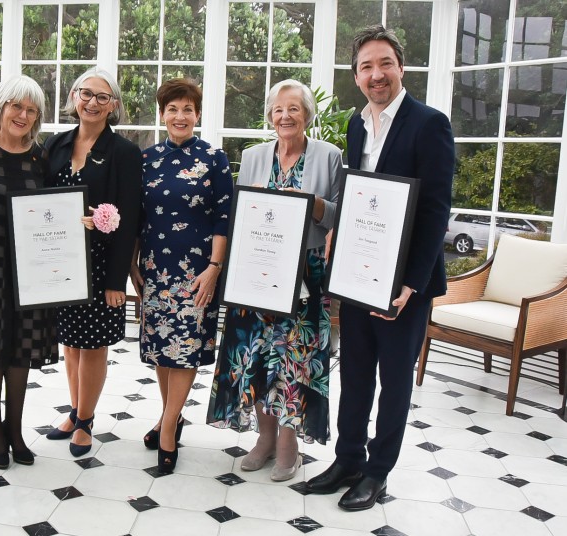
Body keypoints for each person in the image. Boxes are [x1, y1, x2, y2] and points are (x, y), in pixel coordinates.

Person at [304, 25, 454, 511]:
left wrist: (410, 284)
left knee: (393, 379)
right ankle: (347, 458)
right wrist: (335, 237)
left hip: (403, 286)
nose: (376, 74)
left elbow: (434, 211)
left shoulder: (428, 123)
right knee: (355, 372)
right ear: (356, 75)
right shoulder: (355, 124)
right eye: (366, 66)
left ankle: (377, 472)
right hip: (358, 272)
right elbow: (356, 194)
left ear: (401, 68)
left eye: (384, 63)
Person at [207, 79, 341, 481]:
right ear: (269, 116)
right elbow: (239, 213)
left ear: (307, 115)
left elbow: (338, 214)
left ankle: (288, 444)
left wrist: (311, 204)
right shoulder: (252, 157)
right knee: (255, 357)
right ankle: (264, 439)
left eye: (294, 109)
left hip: (305, 273)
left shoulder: (328, 156)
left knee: (294, 360)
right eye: (278, 110)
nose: (285, 116)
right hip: (257, 272)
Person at [130, 78, 233, 474]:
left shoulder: (214, 159)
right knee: (161, 347)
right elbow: (138, 218)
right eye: (172, 109)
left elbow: (225, 218)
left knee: (185, 347)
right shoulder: (147, 160)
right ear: (162, 114)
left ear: (198, 114)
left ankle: (169, 425)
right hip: (155, 269)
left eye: (187, 109)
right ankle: (168, 415)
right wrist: (132, 265)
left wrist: (214, 269)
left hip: (197, 272)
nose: (180, 116)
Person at [44, 68, 142, 457]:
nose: (93, 103)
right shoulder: (55, 144)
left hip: (102, 266)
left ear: (113, 106)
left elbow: (130, 217)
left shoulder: (124, 153)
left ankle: (86, 420)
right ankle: (75, 410)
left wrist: (118, 280)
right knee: (69, 343)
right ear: (74, 96)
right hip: (59, 263)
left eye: (103, 97)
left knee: (93, 346)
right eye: (87, 94)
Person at [0, 75, 58, 469]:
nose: (22, 115)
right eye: (16, 106)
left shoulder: (41, 156)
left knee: (20, 352)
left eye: (31, 109)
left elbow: (54, 208)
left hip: (29, 272)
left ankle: (15, 429)